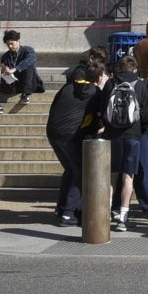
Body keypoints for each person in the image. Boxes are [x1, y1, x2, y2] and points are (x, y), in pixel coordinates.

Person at [101, 54, 148, 229]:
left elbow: (104, 109)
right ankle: (123, 217)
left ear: (120, 68)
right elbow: (145, 114)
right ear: (135, 69)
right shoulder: (142, 85)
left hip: (113, 135)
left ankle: (105, 213)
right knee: (128, 177)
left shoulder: (111, 83)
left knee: (112, 177)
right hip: (134, 136)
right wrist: (141, 130)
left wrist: (109, 126)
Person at [45, 51, 105, 226]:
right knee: (80, 171)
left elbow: (54, 107)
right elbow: (95, 118)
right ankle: (68, 213)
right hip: (70, 134)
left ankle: (61, 207)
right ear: (99, 77)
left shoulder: (67, 87)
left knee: (71, 169)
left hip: (53, 131)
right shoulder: (95, 93)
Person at [0, 29, 43, 114]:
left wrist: (15, 69)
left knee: (28, 67)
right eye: (8, 44)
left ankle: (26, 95)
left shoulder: (28, 50)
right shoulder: (5, 57)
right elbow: (5, 75)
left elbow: (30, 60)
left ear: (18, 41)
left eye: (11, 43)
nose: (10, 46)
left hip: (29, 84)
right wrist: (4, 72)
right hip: (13, 84)